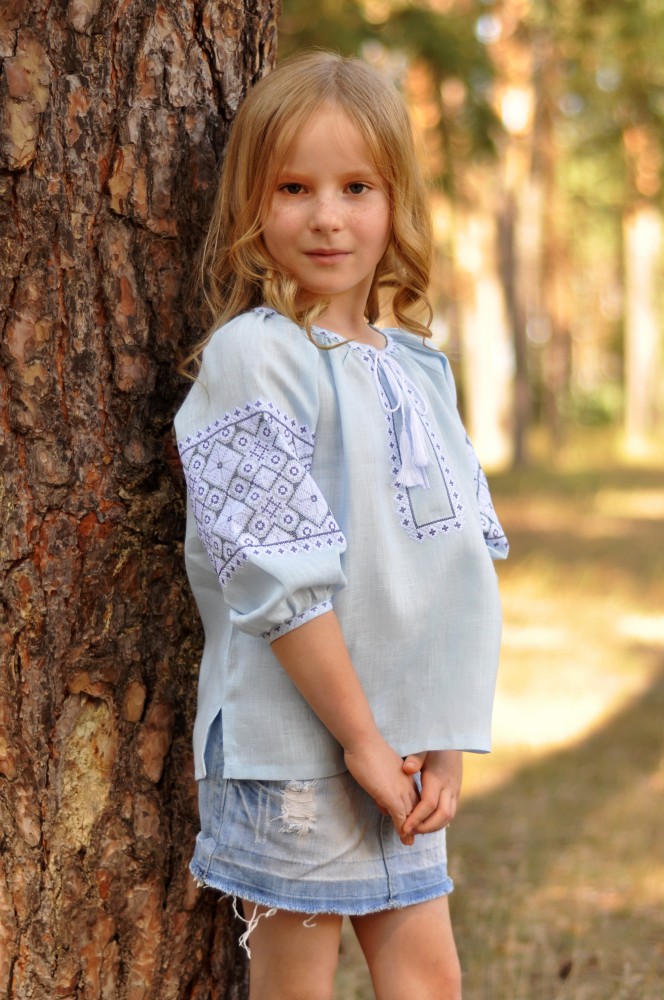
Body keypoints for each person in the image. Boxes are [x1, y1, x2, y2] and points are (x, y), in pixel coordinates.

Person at [174, 50, 508, 1000]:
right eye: (295, 188)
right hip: (294, 747)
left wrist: (441, 737)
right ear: (252, 203)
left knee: (430, 980)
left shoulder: (418, 369)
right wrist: (359, 740)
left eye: (357, 187)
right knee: (298, 986)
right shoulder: (255, 358)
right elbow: (275, 574)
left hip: (403, 745)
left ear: (395, 202)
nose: (327, 216)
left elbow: (457, 570)